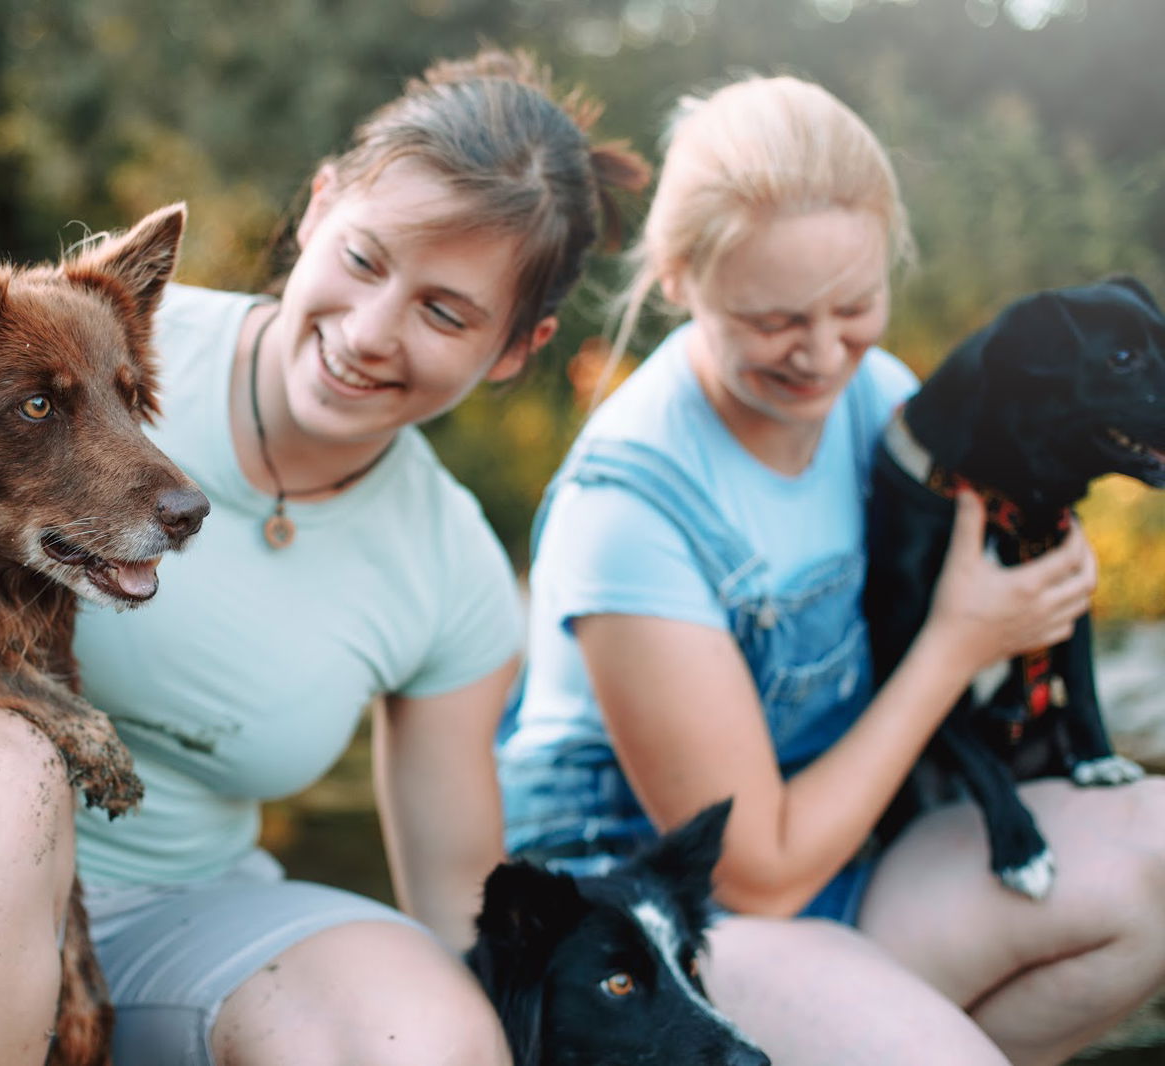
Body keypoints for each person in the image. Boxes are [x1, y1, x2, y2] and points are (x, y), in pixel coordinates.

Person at [0, 50, 649, 1066]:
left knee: (422, 1030)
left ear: (518, 348)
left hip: (178, 932)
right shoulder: (78, 332)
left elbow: (465, 903)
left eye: (444, 312)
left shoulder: (451, 563)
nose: (372, 332)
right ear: (320, 206)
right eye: (367, 260)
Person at [498, 74, 1165, 1066]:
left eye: (854, 305)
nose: (821, 356)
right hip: (662, 933)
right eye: (772, 320)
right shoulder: (628, 508)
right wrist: (959, 643)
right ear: (681, 279)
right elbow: (751, 876)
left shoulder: (879, 398)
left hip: (844, 862)